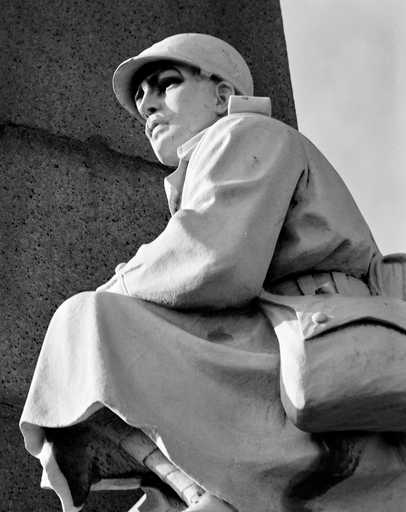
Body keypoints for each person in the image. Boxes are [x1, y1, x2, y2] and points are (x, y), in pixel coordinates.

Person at [20, 33, 406, 512]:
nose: (147, 105)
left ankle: (202, 493)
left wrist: (116, 288)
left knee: (87, 322)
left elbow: (214, 260)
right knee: (82, 350)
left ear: (222, 94)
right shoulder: (216, 152)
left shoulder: (246, 133)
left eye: (166, 84)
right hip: (279, 335)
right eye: (141, 96)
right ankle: (194, 491)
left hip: (309, 341)